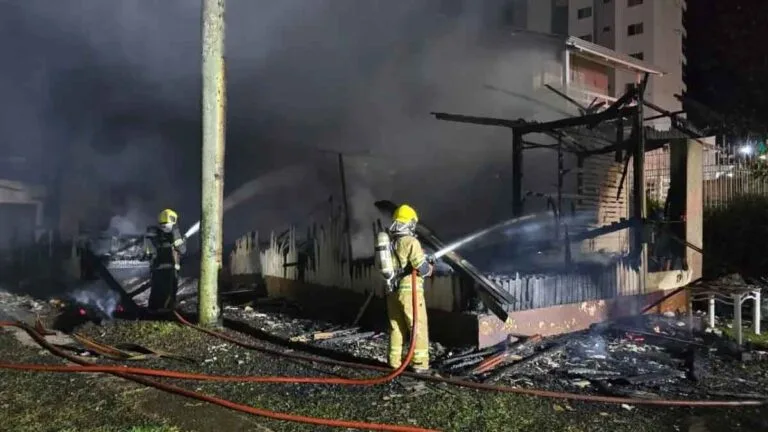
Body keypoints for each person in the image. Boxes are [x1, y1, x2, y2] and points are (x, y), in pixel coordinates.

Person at [386, 204, 433, 373]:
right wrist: (429, 267)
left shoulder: (391, 242)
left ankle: (394, 361)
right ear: (409, 223)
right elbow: (422, 268)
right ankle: (420, 363)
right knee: (417, 325)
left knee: (396, 326)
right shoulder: (411, 242)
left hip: (392, 291)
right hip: (410, 291)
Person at [145, 209, 186, 311]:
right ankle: (167, 312)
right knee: (169, 294)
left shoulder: (154, 235)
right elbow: (182, 250)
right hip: (170, 271)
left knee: (156, 293)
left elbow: (148, 253)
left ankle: (153, 311)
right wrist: (179, 237)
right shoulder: (174, 234)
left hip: (156, 271)